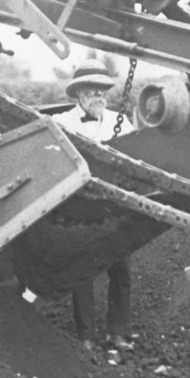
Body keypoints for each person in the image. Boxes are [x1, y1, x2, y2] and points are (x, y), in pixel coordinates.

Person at [59, 65, 135, 350]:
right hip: (80, 206)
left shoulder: (120, 122)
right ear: (79, 94)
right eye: (92, 92)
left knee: (121, 270)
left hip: (114, 207)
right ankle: (86, 338)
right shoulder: (62, 123)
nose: (99, 97)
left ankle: (118, 332)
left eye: (102, 92)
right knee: (83, 273)